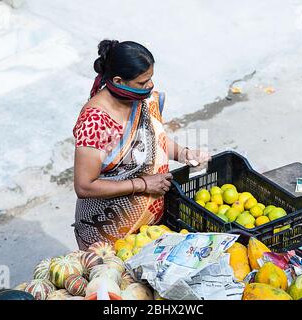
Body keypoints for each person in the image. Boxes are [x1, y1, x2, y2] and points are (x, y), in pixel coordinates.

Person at [72, 40, 210, 250]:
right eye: (142, 82)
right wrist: (144, 185)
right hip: (108, 230)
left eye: (150, 78)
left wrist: (184, 154)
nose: (150, 86)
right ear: (119, 81)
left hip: (149, 226)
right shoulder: (96, 121)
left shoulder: (139, 100)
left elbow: (154, 140)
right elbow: (84, 185)